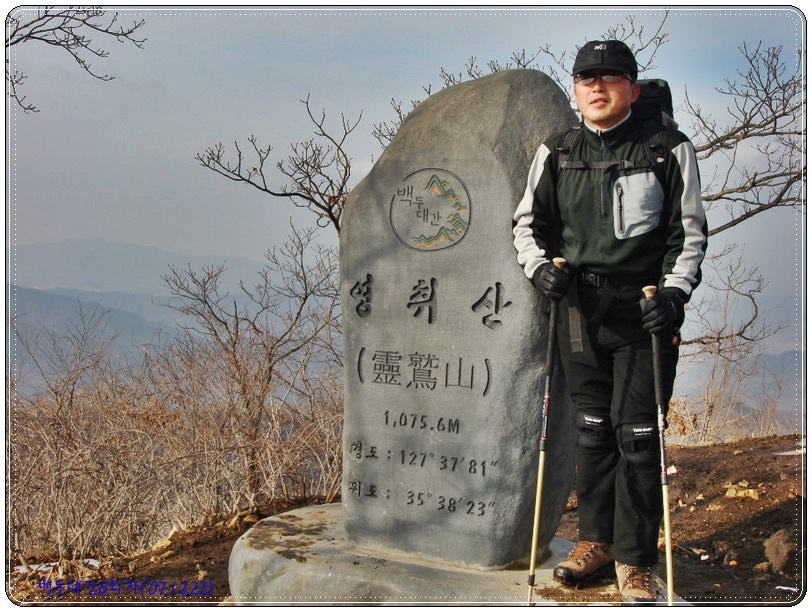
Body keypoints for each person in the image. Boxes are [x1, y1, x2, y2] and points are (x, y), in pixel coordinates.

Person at [513, 39, 707, 603]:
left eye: (611, 76)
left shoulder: (668, 149)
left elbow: (687, 233)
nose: (598, 86)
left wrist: (673, 295)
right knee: (593, 434)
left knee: (640, 439)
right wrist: (537, 271)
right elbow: (528, 225)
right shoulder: (558, 151)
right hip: (579, 310)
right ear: (576, 90)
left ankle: (636, 561)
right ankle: (595, 542)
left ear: (633, 87)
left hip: (645, 314)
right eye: (587, 78)